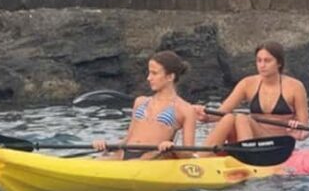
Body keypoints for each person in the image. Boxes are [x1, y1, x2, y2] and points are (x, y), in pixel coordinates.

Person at [92, 51, 235, 159]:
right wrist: (107, 146)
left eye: (154, 73)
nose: (149, 78)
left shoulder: (185, 109)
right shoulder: (140, 101)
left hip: (153, 156)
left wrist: (172, 148)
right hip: (124, 153)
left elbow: (188, 153)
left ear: (170, 77)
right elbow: (127, 138)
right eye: (149, 73)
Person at [194, 42, 309, 144]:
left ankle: (248, 157)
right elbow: (221, 112)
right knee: (228, 118)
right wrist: (206, 117)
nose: (262, 65)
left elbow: (304, 125)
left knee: (241, 118)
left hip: (278, 143)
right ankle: (203, 155)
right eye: (259, 60)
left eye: (267, 61)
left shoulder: (295, 87)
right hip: (254, 138)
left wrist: (299, 130)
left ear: (279, 63)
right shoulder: (247, 84)